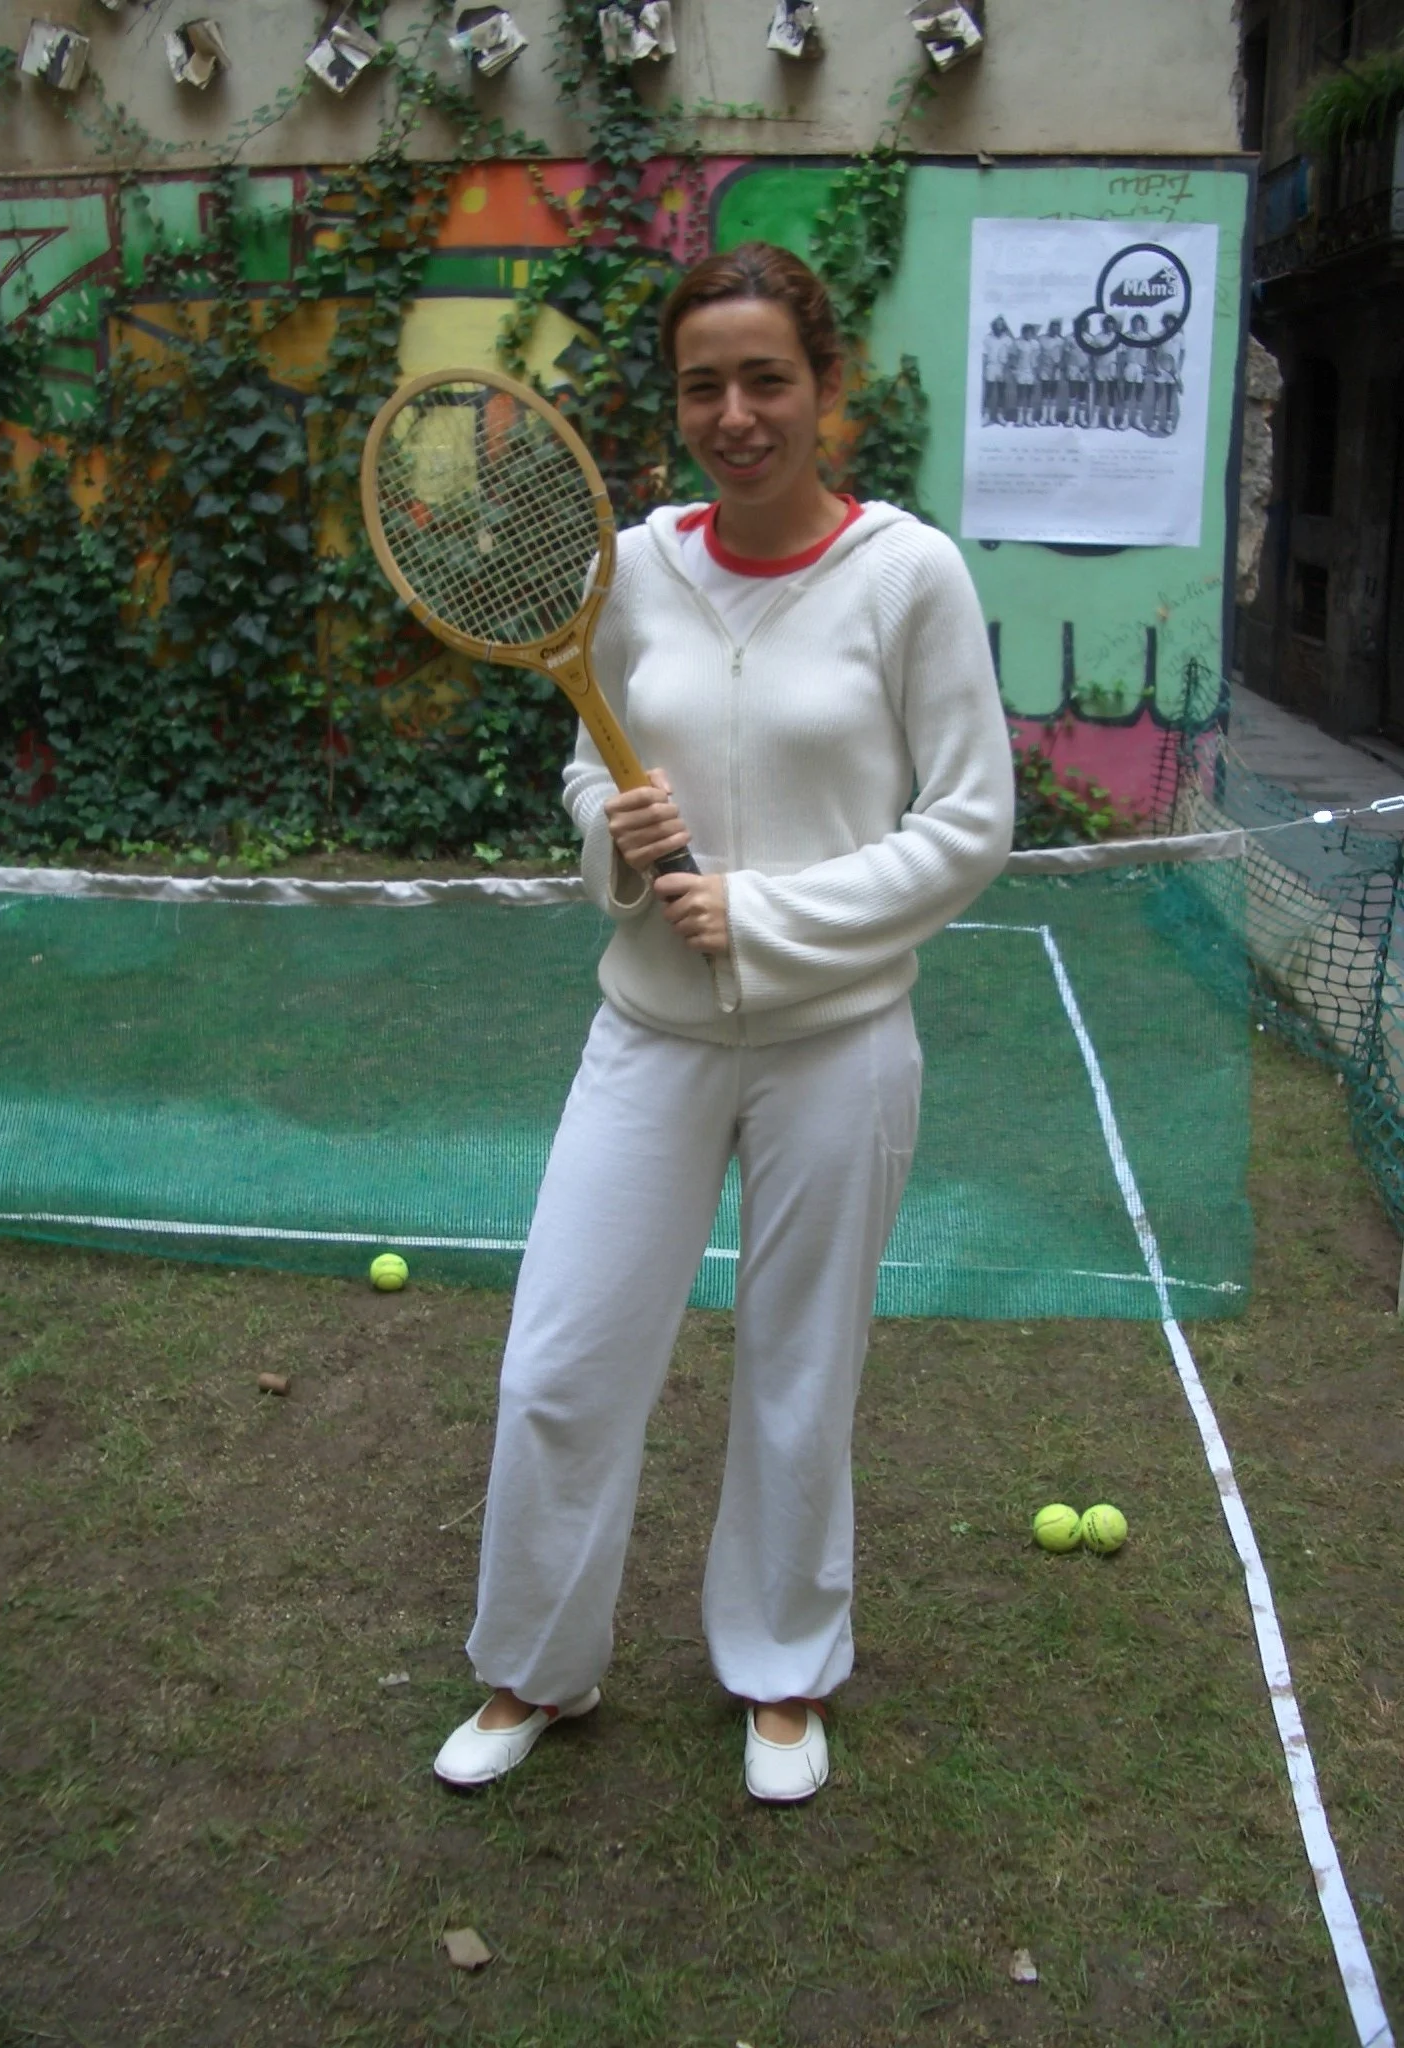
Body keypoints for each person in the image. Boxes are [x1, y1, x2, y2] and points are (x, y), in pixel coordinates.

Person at [431, 242, 1014, 1805]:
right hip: (652, 1033)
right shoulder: (631, 569)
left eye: (767, 379)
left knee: (799, 1372)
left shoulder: (909, 575)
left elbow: (970, 824)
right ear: (678, 405)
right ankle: (532, 1666)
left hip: (841, 1044)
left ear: (828, 387)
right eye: (705, 387)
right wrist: (613, 839)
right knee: (560, 1365)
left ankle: (782, 1671)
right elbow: (593, 766)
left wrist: (763, 916)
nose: (737, 414)